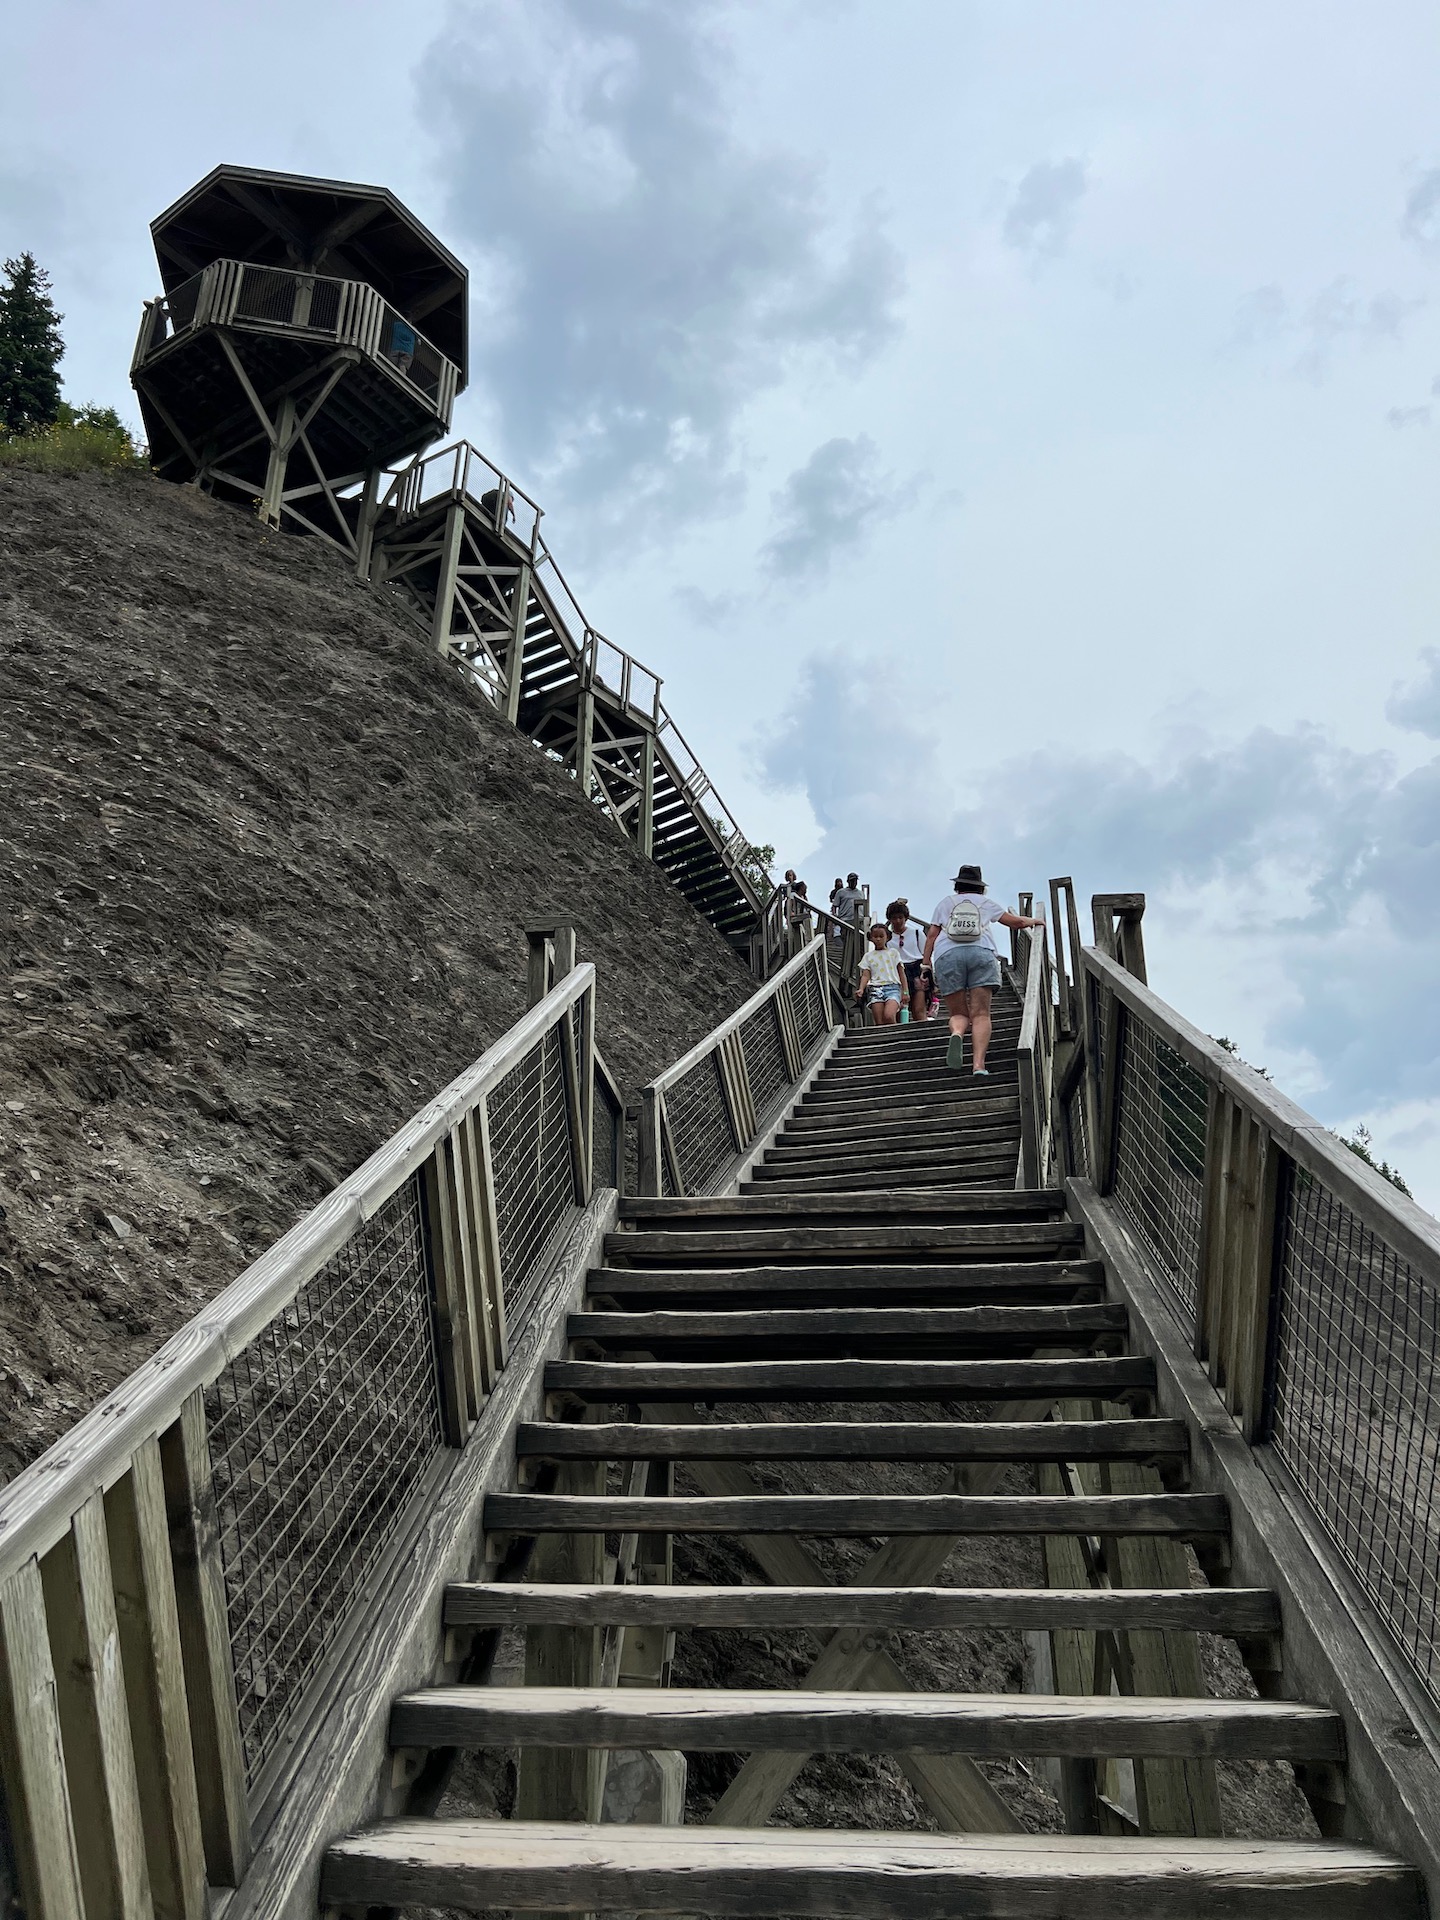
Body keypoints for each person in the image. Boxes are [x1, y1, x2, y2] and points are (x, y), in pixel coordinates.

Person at [923, 864, 1044, 1074]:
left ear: (957, 885)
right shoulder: (985, 903)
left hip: (948, 955)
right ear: (980, 886)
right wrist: (1034, 921)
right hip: (981, 953)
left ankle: (957, 1033)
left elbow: (932, 935)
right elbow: (1015, 922)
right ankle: (978, 1065)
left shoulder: (945, 903)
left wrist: (926, 964)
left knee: (958, 1013)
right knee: (981, 1014)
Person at [885, 900, 929, 1022]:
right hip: (896, 972)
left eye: (900, 917)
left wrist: (927, 974)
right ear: (890, 919)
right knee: (899, 1010)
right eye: (894, 918)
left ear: (906, 918)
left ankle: (922, 1032)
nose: (898, 921)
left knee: (918, 1009)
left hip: (916, 970)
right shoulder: (887, 937)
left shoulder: (917, 933)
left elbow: (925, 954)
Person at [856, 922, 905, 1025]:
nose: (878, 939)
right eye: (875, 936)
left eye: (881, 936)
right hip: (875, 989)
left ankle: (895, 1034)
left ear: (887, 937)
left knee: (889, 1016)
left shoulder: (893, 953)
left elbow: (901, 973)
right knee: (879, 1021)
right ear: (871, 938)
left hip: (893, 987)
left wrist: (905, 992)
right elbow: (865, 975)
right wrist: (861, 989)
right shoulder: (868, 956)